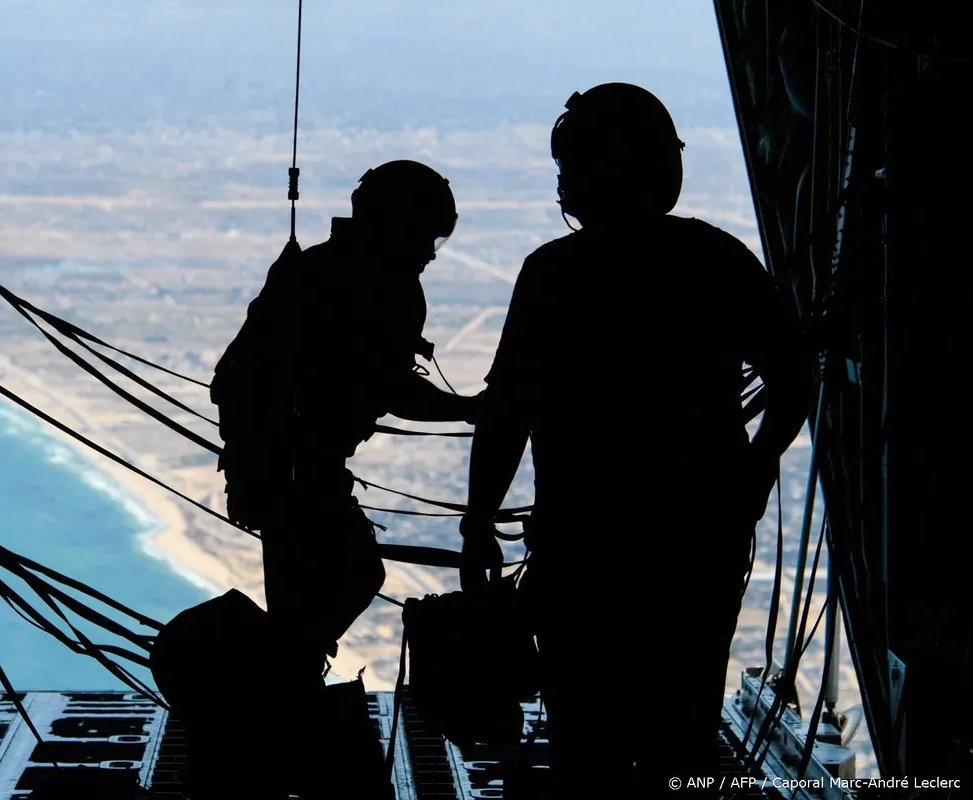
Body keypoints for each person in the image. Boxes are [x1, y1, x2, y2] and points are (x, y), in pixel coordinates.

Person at [459, 83, 813, 796]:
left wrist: (478, 523)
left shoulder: (555, 273)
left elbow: (508, 414)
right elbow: (793, 377)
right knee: (681, 739)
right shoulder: (716, 259)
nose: (562, 182)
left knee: (585, 741)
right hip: (696, 545)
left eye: (573, 164)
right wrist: (753, 466)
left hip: (583, 549)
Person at [211, 159, 482, 692]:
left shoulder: (322, 269)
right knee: (344, 580)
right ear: (396, 224)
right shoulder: (372, 285)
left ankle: (278, 684)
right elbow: (389, 386)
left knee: (323, 588)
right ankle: (274, 687)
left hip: (277, 462)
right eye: (426, 236)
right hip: (294, 467)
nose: (430, 251)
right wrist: (471, 409)